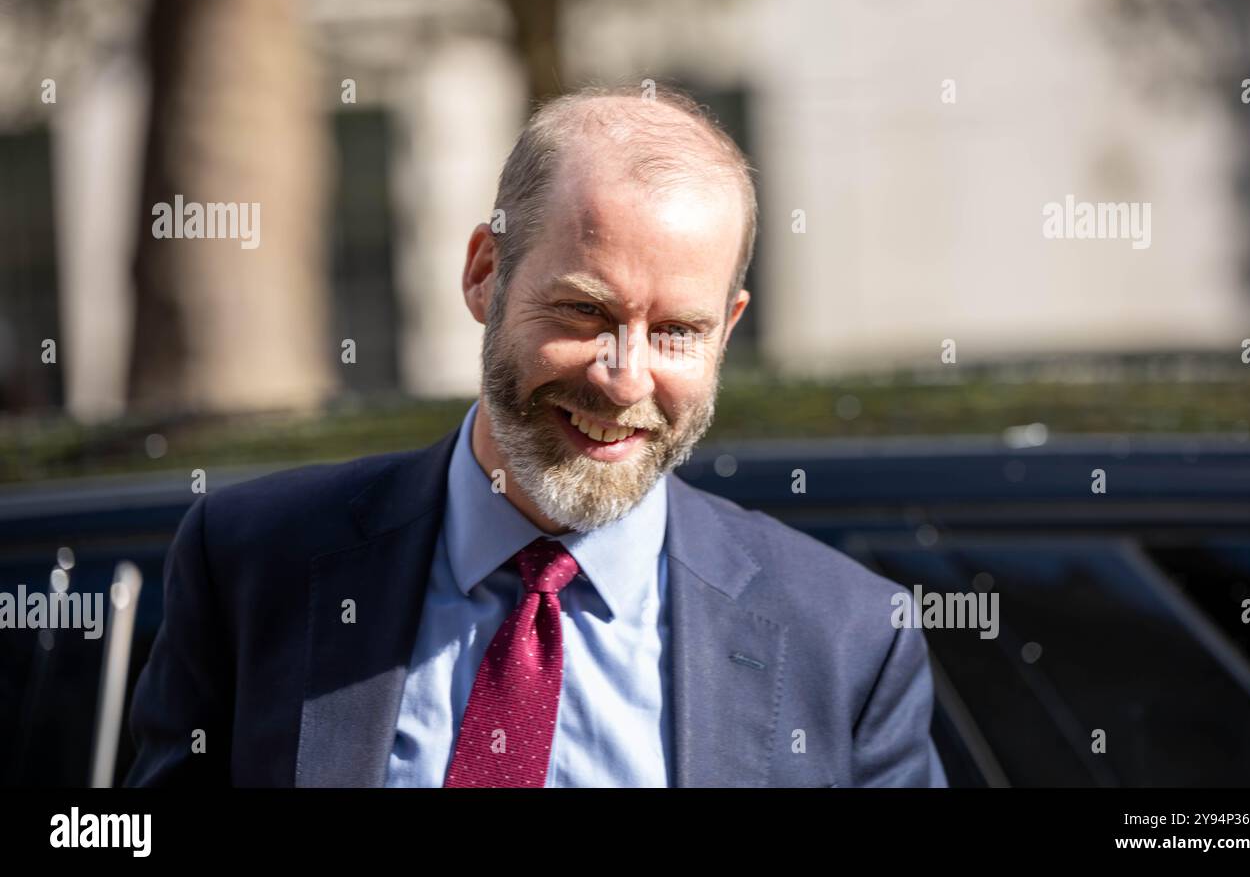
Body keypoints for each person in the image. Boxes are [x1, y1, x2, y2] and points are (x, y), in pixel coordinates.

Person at [124, 85, 948, 787]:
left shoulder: (844, 638)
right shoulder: (254, 564)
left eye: (676, 333)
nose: (624, 378)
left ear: (727, 330)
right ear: (486, 272)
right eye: (584, 311)